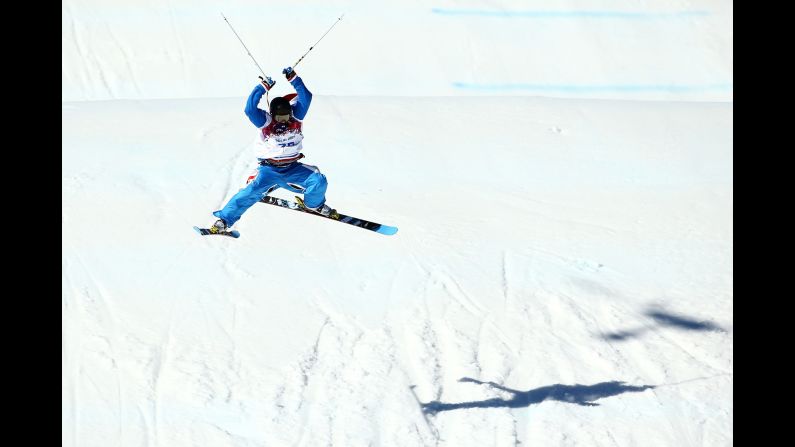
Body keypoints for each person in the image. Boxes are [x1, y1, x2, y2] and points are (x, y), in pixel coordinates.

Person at [209, 67, 337, 233]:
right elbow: (249, 109)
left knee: (319, 181)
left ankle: (314, 205)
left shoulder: (296, 116)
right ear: (272, 114)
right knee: (250, 193)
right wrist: (263, 87)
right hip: (268, 170)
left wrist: (294, 79)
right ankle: (224, 220)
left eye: (286, 116)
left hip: (293, 168)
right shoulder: (265, 121)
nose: (284, 121)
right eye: (280, 118)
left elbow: (306, 97)